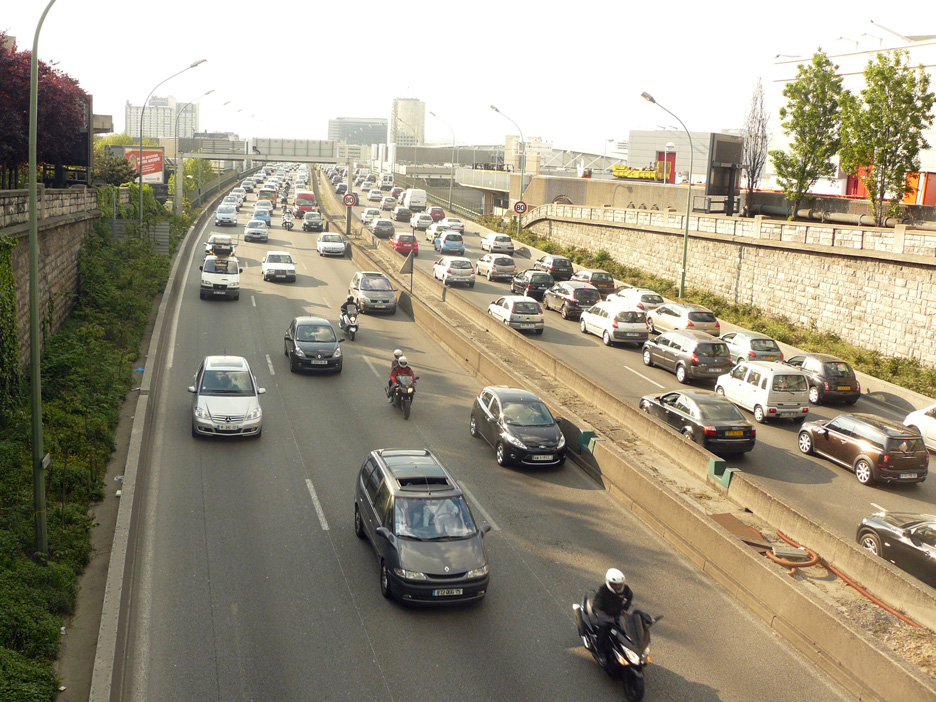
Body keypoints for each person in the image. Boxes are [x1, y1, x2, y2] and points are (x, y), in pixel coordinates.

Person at [592, 568, 633, 667]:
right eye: (615, 584)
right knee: (603, 631)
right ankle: (600, 651)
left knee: (626, 630)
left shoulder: (625, 589)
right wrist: (605, 617)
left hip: (617, 614)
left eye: (620, 584)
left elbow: (629, 596)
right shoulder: (602, 591)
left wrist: (625, 608)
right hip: (605, 615)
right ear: (609, 583)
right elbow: (596, 606)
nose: (618, 586)